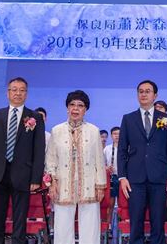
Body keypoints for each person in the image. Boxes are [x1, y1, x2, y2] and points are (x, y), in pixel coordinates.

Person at [0, 77, 46, 244]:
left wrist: (36, 178)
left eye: (22, 90)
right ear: (7, 93)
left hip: (23, 175)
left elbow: (39, 150)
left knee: (20, 221)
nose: (18, 93)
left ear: (26, 94)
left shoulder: (35, 117)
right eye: (14, 90)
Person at [118, 80, 167, 244]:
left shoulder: (166, 119)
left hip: (159, 178)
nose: (143, 94)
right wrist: (122, 177)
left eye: (147, 91)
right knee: (136, 222)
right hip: (135, 179)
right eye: (141, 91)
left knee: (158, 222)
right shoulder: (128, 119)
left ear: (155, 95)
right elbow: (122, 150)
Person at [46, 90, 106, 244]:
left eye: (80, 105)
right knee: (62, 226)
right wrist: (51, 183)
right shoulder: (57, 131)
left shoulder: (93, 131)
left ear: (85, 109)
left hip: (88, 184)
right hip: (63, 184)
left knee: (90, 226)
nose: (75, 108)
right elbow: (51, 160)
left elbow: (99, 160)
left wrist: (100, 186)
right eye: (72, 104)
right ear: (67, 107)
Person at [104, 126, 120, 235]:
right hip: (112, 177)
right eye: (115, 134)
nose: (117, 136)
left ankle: (123, 227)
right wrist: (106, 168)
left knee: (124, 204)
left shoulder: (127, 148)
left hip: (123, 178)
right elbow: (102, 164)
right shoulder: (107, 149)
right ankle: (109, 227)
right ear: (111, 136)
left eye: (119, 134)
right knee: (110, 204)